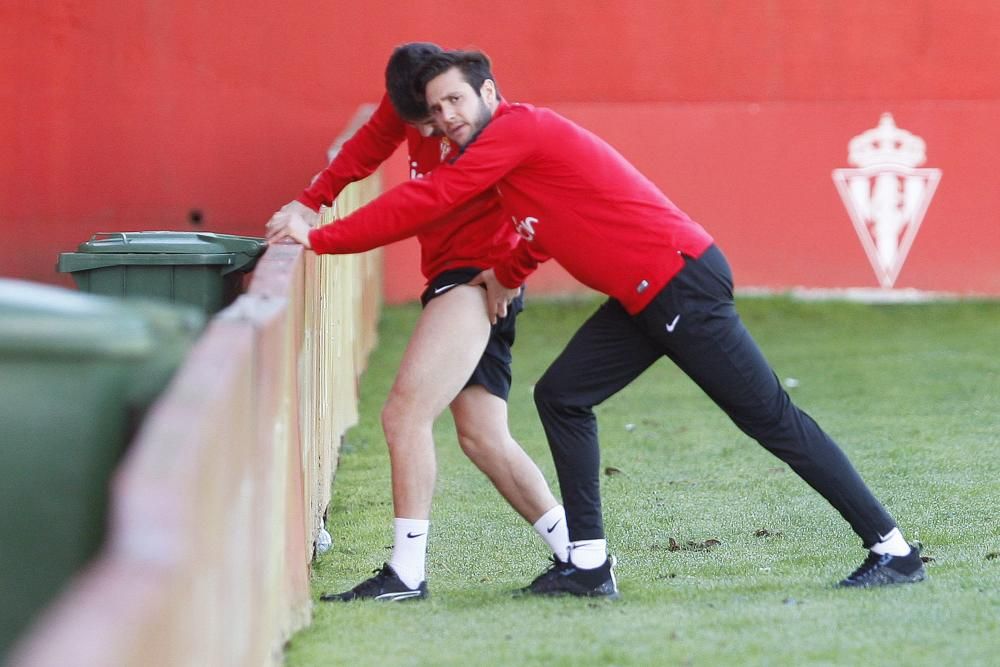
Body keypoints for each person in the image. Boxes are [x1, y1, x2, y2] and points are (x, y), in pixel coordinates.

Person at [268, 49, 926, 597]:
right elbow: (544, 227)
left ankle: (891, 548)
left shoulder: (513, 132)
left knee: (771, 418)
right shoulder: (509, 152)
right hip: (643, 296)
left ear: (488, 93)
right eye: (436, 109)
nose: (445, 117)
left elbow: (430, 197)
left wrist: (316, 237)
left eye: (456, 102)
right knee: (561, 394)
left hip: (680, 282)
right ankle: (587, 564)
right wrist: (506, 273)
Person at [266, 43, 570, 602]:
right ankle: (581, 557)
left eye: (440, 115)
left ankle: (406, 574)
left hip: (475, 280)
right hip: (460, 277)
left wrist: (319, 237)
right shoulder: (411, 105)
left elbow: (417, 204)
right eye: (423, 119)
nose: (435, 130)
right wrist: (311, 202)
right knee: (484, 438)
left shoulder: (489, 129)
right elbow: (364, 151)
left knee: (404, 415)